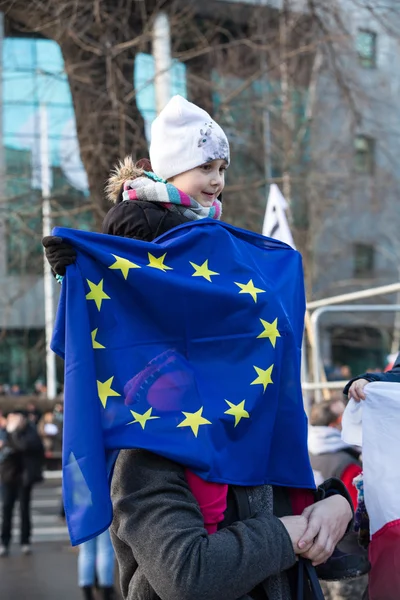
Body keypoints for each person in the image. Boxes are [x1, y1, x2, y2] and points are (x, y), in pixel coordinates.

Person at [44, 95, 355, 598]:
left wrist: (337, 503)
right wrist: (79, 269)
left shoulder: (244, 425)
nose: (217, 180)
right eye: (205, 167)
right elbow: (188, 575)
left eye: (221, 168)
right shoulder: (149, 453)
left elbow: (314, 539)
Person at [0, 411, 44, 556]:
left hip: (24, 477)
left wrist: (14, 434)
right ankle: (4, 542)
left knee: (24, 510)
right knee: (7, 509)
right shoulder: (4, 432)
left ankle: (25, 541)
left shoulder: (29, 432)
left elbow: (24, 446)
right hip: (8, 476)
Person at [308, 397, 362, 508]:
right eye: (347, 415)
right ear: (333, 426)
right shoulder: (348, 465)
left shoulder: (303, 452)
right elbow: (359, 511)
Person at [78, 529, 116, 600]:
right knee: (105, 549)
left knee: (86, 551)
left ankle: (87, 593)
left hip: (84, 518)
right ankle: (106, 592)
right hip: (103, 518)